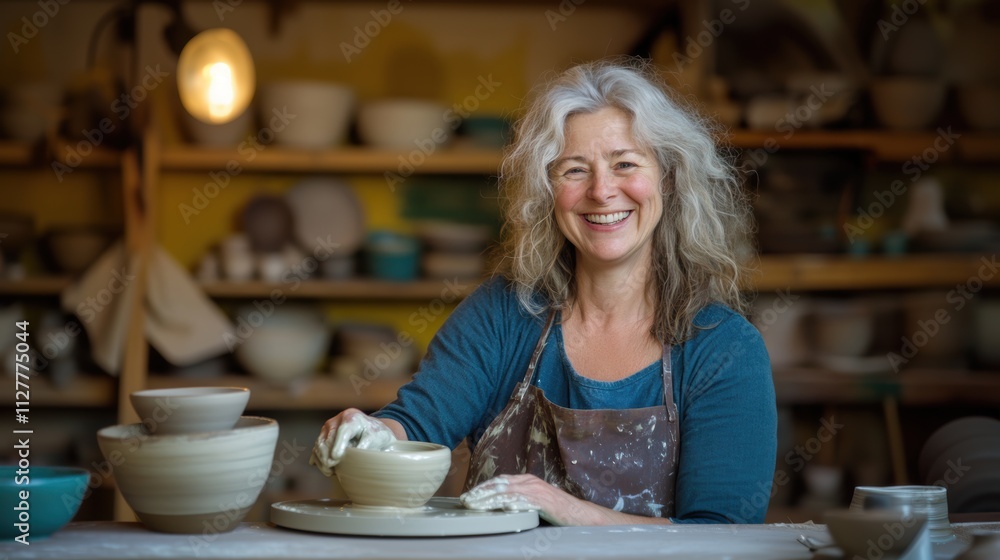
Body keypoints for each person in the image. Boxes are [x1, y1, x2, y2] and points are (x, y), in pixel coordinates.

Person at [311, 58, 777, 526]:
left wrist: (565, 509)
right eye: (574, 170)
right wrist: (373, 431)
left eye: (626, 164)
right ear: (547, 190)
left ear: (668, 180)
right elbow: (417, 423)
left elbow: (721, 539)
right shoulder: (503, 314)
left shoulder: (724, 349)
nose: (601, 191)